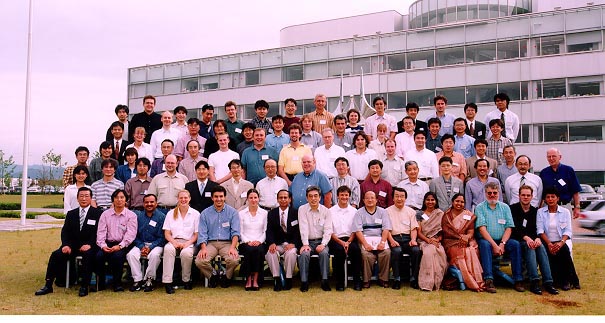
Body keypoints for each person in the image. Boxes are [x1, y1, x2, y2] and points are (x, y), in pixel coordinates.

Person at [35, 187, 102, 297]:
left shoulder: (98, 214)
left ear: (91, 198)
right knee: (55, 255)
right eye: (81, 196)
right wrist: (66, 245)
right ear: (77, 198)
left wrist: (90, 245)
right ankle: (48, 284)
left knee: (88, 256)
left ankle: (84, 286)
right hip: (72, 246)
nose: (84, 198)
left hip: (90, 246)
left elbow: (99, 233)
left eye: (86, 196)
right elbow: (65, 231)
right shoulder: (71, 214)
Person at [474, 182, 524, 293]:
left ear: (499, 193)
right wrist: (495, 245)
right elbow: (482, 229)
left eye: (495, 193)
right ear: (485, 193)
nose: (492, 195)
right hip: (488, 240)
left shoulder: (505, 207)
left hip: (503, 241)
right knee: (484, 244)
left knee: (515, 244)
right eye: (489, 193)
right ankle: (489, 279)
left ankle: (518, 279)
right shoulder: (480, 208)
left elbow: (509, 228)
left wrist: (502, 244)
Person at [510, 185, 559, 295]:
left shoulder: (535, 211)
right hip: (518, 241)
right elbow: (514, 228)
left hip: (532, 239)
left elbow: (537, 228)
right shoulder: (513, 209)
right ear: (519, 196)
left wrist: (537, 238)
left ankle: (548, 282)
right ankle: (534, 282)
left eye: (528, 195)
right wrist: (526, 238)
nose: (525, 197)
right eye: (523, 195)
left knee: (540, 246)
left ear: (532, 197)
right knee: (530, 247)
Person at [195, 186, 240, 288]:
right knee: (200, 261)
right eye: (216, 196)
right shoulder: (205, 213)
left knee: (234, 260)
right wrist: (203, 248)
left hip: (227, 243)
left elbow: (235, 232)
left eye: (221, 196)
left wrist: (233, 248)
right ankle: (213, 275)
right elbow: (202, 233)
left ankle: (227, 277)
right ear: (212, 198)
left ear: (225, 197)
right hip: (210, 243)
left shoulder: (233, 212)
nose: (218, 199)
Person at [537, 187, 580, 291]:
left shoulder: (565, 212)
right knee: (548, 253)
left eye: (553, 197)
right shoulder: (540, 212)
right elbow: (540, 230)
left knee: (564, 250)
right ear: (545, 199)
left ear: (557, 198)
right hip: (546, 241)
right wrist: (549, 243)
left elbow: (568, 230)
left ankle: (567, 281)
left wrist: (561, 243)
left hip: (560, 240)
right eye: (548, 197)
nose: (550, 199)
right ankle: (553, 279)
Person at [95, 189, 137, 292]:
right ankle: (101, 282)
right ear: (113, 200)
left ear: (125, 200)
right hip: (108, 242)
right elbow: (101, 232)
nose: (119, 200)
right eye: (116, 198)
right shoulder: (105, 214)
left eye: (122, 197)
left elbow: (130, 234)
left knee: (117, 256)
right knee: (99, 256)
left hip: (123, 243)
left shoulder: (131, 215)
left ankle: (117, 283)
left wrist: (120, 246)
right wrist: (103, 245)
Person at [441, 193, 485, 292]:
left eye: (462, 202)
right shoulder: (446, 215)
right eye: (457, 201)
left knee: (471, 250)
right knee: (460, 252)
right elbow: (446, 231)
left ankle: (476, 280)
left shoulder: (468, 215)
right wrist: (460, 237)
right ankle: (469, 281)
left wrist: (467, 237)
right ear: (452, 202)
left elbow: (470, 231)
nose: (459, 203)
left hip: (467, 240)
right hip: (450, 242)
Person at [161, 190, 200, 294]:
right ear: (178, 199)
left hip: (189, 242)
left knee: (186, 253)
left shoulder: (195, 214)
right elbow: (167, 233)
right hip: (174, 241)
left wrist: (187, 244)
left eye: (185, 198)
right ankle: (167, 282)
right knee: (168, 249)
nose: (183, 200)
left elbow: (196, 235)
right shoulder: (170, 213)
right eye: (181, 198)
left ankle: (186, 280)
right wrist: (174, 243)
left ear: (189, 198)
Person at [126, 193, 166, 292]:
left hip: (156, 244)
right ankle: (138, 280)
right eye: (146, 202)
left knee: (155, 256)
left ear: (156, 203)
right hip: (141, 243)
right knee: (131, 255)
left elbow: (162, 237)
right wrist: (141, 246)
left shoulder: (161, 217)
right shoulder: (138, 217)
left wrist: (150, 247)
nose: (149, 204)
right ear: (143, 204)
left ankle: (149, 279)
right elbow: (134, 236)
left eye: (152, 202)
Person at [297, 186, 333, 292]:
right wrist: (305, 244)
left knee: (324, 254)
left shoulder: (326, 211)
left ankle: (325, 281)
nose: (313, 198)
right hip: (307, 241)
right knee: (304, 254)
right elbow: (303, 227)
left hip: (322, 241)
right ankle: (304, 281)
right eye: (310, 196)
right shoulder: (302, 209)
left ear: (320, 197)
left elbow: (328, 229)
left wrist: (323, 244)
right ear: (307, 198)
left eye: (316, 196)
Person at [353, 191, 392, 289]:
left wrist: (383, 242)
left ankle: (383, 279)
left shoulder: (383, 212)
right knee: (366, 255)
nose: (370, 200)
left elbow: (386, 228)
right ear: (363, 200)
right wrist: (365, 244)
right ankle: (367, 280)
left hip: (380, 238)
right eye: (367, 198)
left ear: (376, 200)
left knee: (386, 253)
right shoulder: (359, 213)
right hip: (365, 239)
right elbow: (358, 231)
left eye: (372, 198)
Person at [265, 189, 301, 291]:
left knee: (291, 253)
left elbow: (299, 231)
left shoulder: (296, 213)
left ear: (290, 199)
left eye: (285, 197)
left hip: (291, 244)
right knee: (270, 253)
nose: (283, 199)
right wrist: (271, 243)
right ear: (277, 199)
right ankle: (277, 279)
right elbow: (269, 230)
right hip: (278, 244)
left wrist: (294, 244)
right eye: (281, 197)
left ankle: (288, 279)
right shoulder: (272, 213)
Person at [386, 187, 421, 290]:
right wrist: (391, 241)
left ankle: (414, 279)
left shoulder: (411, 211)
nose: (399, 199)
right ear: (393, 198)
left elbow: (414, 228)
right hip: (394, 237)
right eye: (397, 196)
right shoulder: (387, 211)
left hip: (407, 238)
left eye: (402, 196)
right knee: (396, 251)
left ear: (405, 198)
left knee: (416, 251)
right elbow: (386, 229)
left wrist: (413, 240)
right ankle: (397, 279)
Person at [329, 186, 362, 291]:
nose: (344, 197)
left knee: (356, 251)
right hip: (335, 239)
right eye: (342, 195)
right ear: (337, 196)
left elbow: (355, 229)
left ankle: (357, 281)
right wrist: (341, 243)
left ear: (349, 196)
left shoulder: (354, 211)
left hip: (350, 239)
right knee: (339, 251)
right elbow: (329, 230)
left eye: (346, 195)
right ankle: (340, 282)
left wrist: (348, 242)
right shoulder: (330, 211)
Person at [416, 192, 447, 291]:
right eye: (428, 200)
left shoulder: (440, 213)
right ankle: (427, 283)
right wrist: (428, 240)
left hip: (436, 241)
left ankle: (437, 282)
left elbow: (443, 231)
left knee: (440, 253)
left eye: (432, 200)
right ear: (424, 201)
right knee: (428, 254)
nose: (430, 202)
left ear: (436, 201)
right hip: (424, 240)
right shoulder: (419, 214)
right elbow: (419, 232)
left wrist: (437, 240)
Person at [539, 148, 582, 219]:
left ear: (560, 157)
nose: (551, 158)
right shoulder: (544, 173)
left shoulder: (568, 170)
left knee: (565, 229)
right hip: (547, 208)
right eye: (549, 157)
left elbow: (575, 191)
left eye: (554, 156)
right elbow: (541, 194)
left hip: (564, 207)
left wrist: (577, 207)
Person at [238, 189, 268, 291]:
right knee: (250, 250)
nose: (253, 200)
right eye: (251, 198)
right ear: (247, 199)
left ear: (258, 199)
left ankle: (255, 279)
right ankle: (248, 279)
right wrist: (248, 241)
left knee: (258, 250)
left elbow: (265, 231)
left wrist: (259, 241)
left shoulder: (264, 213)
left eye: (255, 197)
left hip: (260, 242)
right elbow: (240, 232)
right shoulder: (241, 213)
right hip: (245, 242)